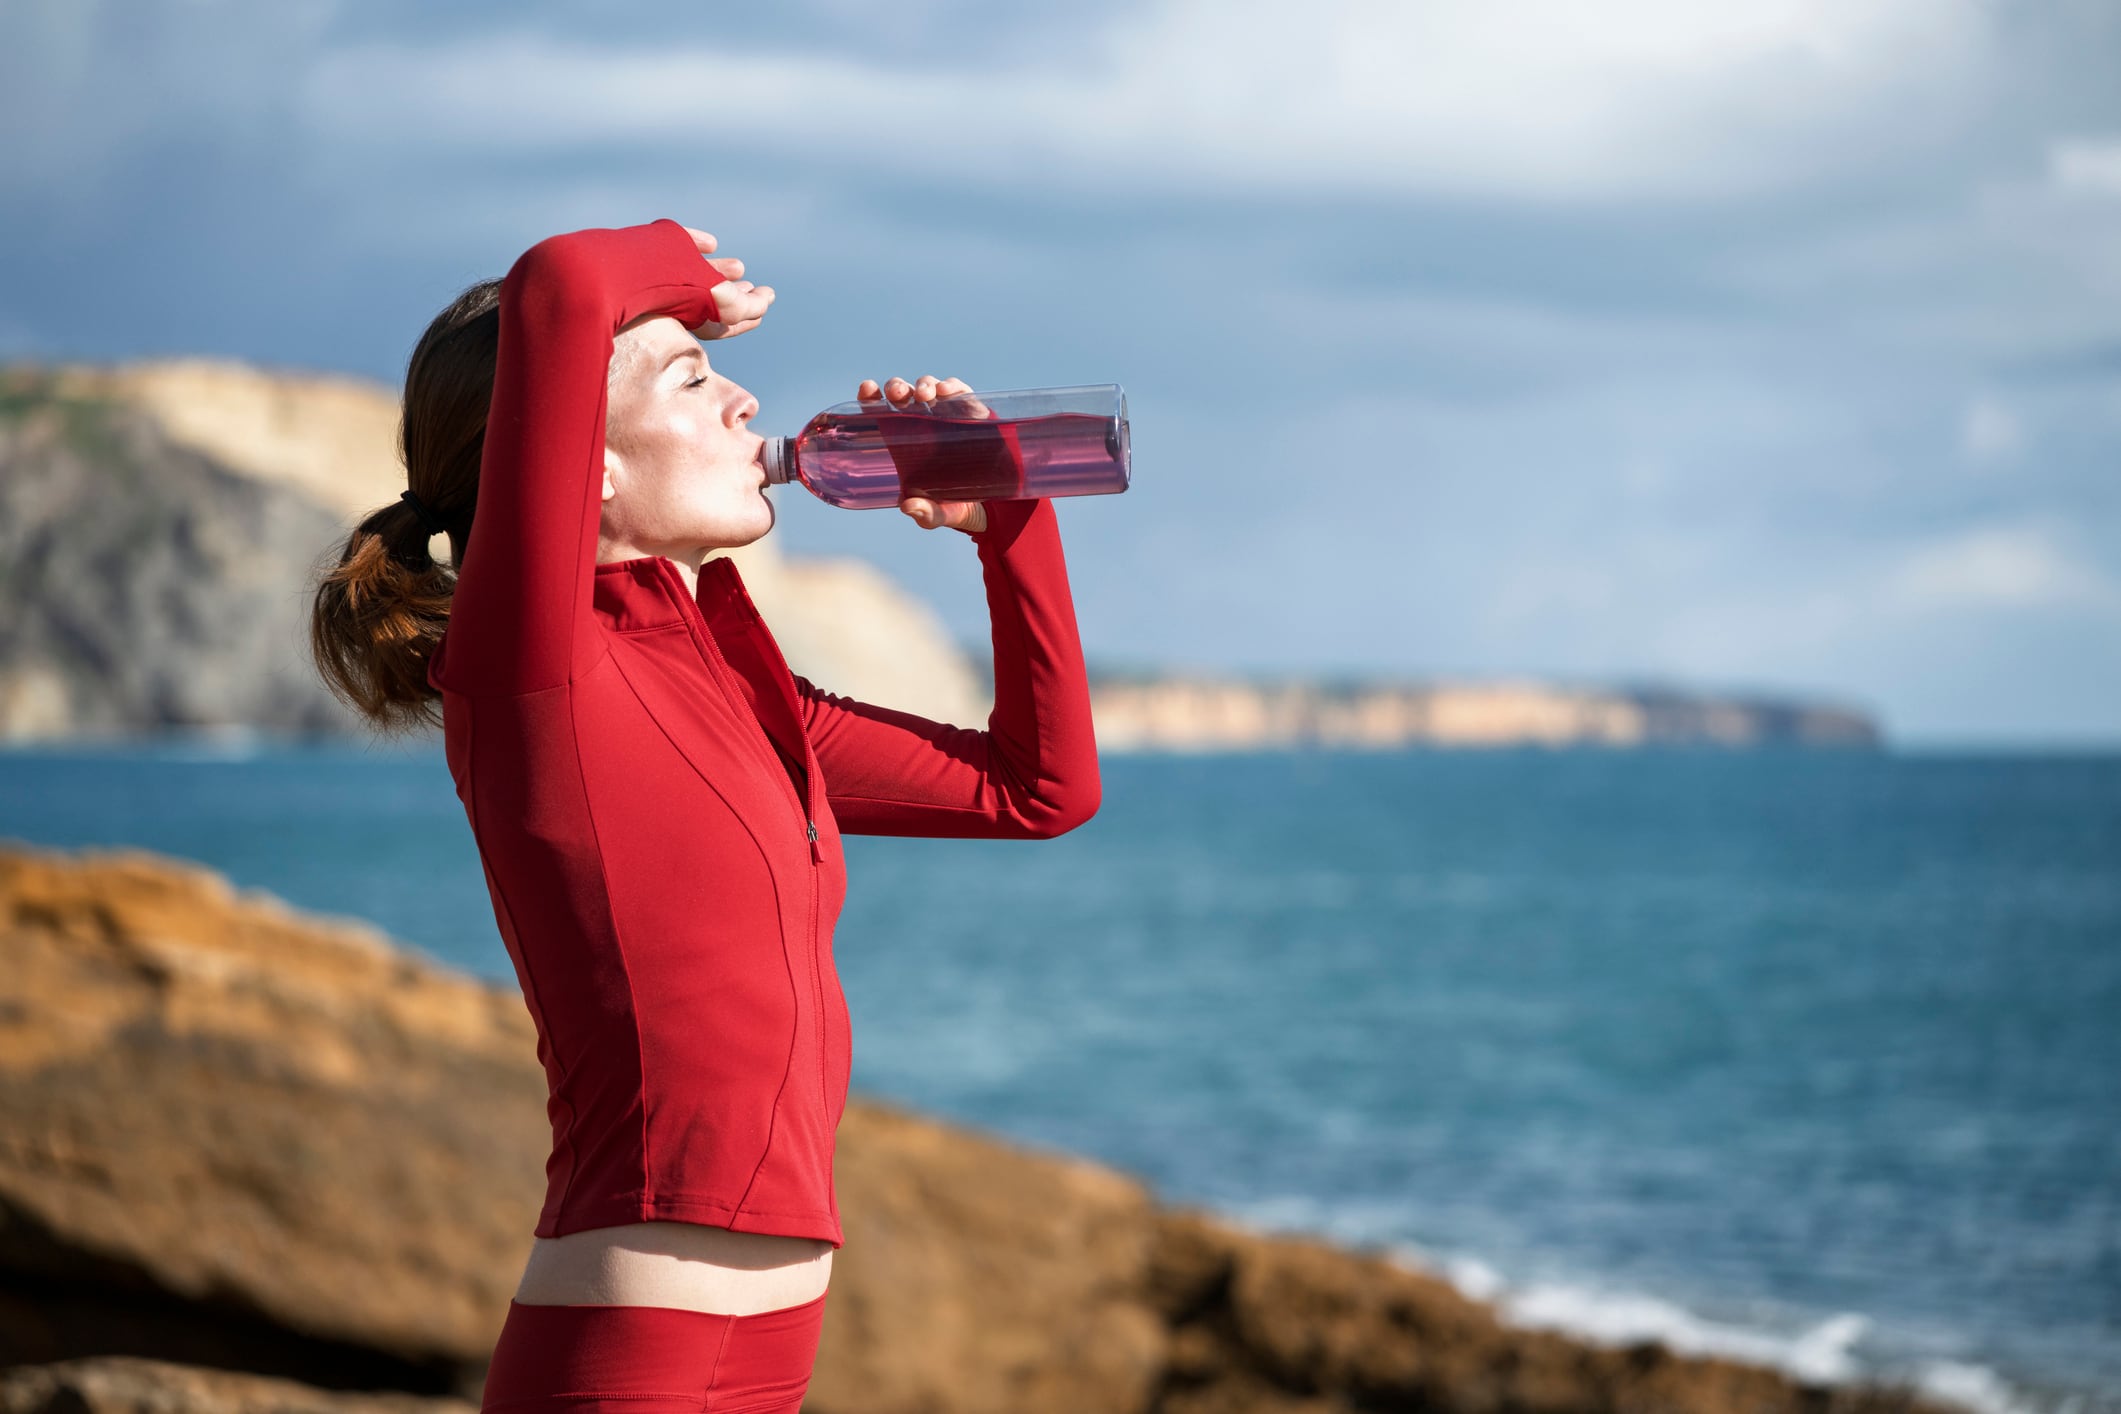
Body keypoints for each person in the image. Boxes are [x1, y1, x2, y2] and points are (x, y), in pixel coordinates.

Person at [308, 217, 1101, 1412]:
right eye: (690, 374)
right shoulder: (531, 665)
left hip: (768, 1357)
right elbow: (565, 283)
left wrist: (1010, 529)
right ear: (589, 457)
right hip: (629, 1363)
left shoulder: (740, 686)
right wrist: (701, 280)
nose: (744, 401)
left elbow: (1037, 791)